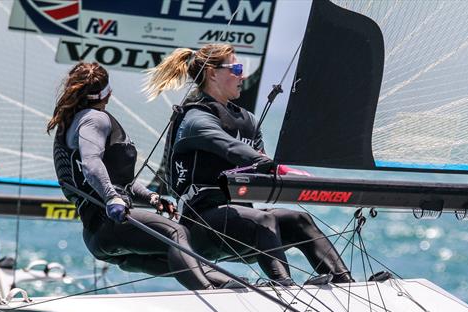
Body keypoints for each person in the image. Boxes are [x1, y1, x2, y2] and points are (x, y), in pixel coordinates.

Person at [144, 44, 354, 285]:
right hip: (201, 226)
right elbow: (230, 148)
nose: (242, 75)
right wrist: (278, 168)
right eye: (236, 68)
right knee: (263, 220)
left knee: (299, 221)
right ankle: (284, 285)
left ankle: (344, 281)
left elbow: (258, 164)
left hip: (242, 224)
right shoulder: (195, 119)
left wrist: (294, 180)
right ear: (213, 73)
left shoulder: (247, 120)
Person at [47, 62, 232, 290]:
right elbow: (91, 164)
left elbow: (122, 185)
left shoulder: (75, 120)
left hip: (101, 238)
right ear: (108, 92)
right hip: (111, 224)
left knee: (183, 258)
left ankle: (230, 287)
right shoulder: (94, 119)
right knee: (177, 232)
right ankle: (210, 291)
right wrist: (111, 198)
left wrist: (153, 199)